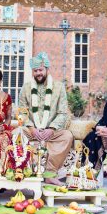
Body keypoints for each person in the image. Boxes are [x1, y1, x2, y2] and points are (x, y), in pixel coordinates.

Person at [17, 52, 74, 185]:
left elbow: (62, 113)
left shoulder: (59, 87)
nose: (38, 73)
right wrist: (31, 128)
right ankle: (23, 170)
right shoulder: (26, 88)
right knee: (16, 134)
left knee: (67, 136)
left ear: (47, 69)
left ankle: (50, 173)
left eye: (41, 70)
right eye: (35, 70)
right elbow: (22, 112)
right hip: (32, 132)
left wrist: (52, 129)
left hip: (52, 132)